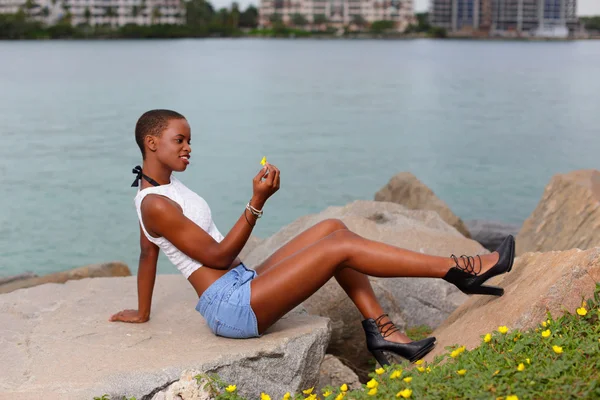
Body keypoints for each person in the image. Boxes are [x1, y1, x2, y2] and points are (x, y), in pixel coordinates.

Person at [110, 109, 515, 366]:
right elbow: (216, 256)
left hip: (242, 284)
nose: (189, 147)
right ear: (152, 142)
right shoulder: (156, 204)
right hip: (231, 308)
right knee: (338, 249)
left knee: (331, 229)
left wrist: (142, 311)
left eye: (189, 140)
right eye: (180, 140)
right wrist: (256, 202)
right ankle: (459, 269)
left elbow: (148, 254)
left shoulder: (164, 192)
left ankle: (383, 332)